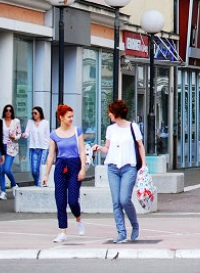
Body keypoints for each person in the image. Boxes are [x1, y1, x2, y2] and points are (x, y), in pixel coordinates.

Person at [93, 99, 145, 243]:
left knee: (124, 199)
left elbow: (140, 146)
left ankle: (135, 225)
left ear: (116, 112)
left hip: (129, 167)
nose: (109, 114)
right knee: (116, 202)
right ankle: (121, 233)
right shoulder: (110, 129)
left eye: (110, 112)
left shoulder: (133, 127)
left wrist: (144, 166)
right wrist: (99, 148)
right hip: (112, 168)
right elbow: (107, 148)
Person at [43, 104, 87, 242]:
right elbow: (51, 155)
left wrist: (83, 168)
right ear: (61, 117)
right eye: (69, 117)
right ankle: (62, 231)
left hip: (75, 165)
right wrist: (46, 174)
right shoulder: (54, 134)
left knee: (73, 200)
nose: (71, 119)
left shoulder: (77, 131)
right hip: (61, 166)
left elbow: (81, 150)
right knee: (60, 200)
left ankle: (78, 219)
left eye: (72, 116)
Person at [0, 104, 21, 200]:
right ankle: (3, 191)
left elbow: (19, 134)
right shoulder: (0, 122)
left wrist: (14, 137)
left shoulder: (16, 121)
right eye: (6, 110)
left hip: (11, 147)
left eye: (10, 110)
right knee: (1, 170)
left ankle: (14, 184)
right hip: (1, 147)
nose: (8, 112)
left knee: (6, 169)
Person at [22, 106, 50, 186]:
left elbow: (47, 136)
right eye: (32, 113)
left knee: (40, 168)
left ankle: (38, 185)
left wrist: (49, 147)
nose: (34, 115)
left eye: (35, 113)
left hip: (43, 148)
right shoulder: (30, 122)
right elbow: (27, 132)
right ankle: (37, 182)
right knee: (34, 170)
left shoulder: (45, 123)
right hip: (33, 147)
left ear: (40, 114)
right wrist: (24, 135)